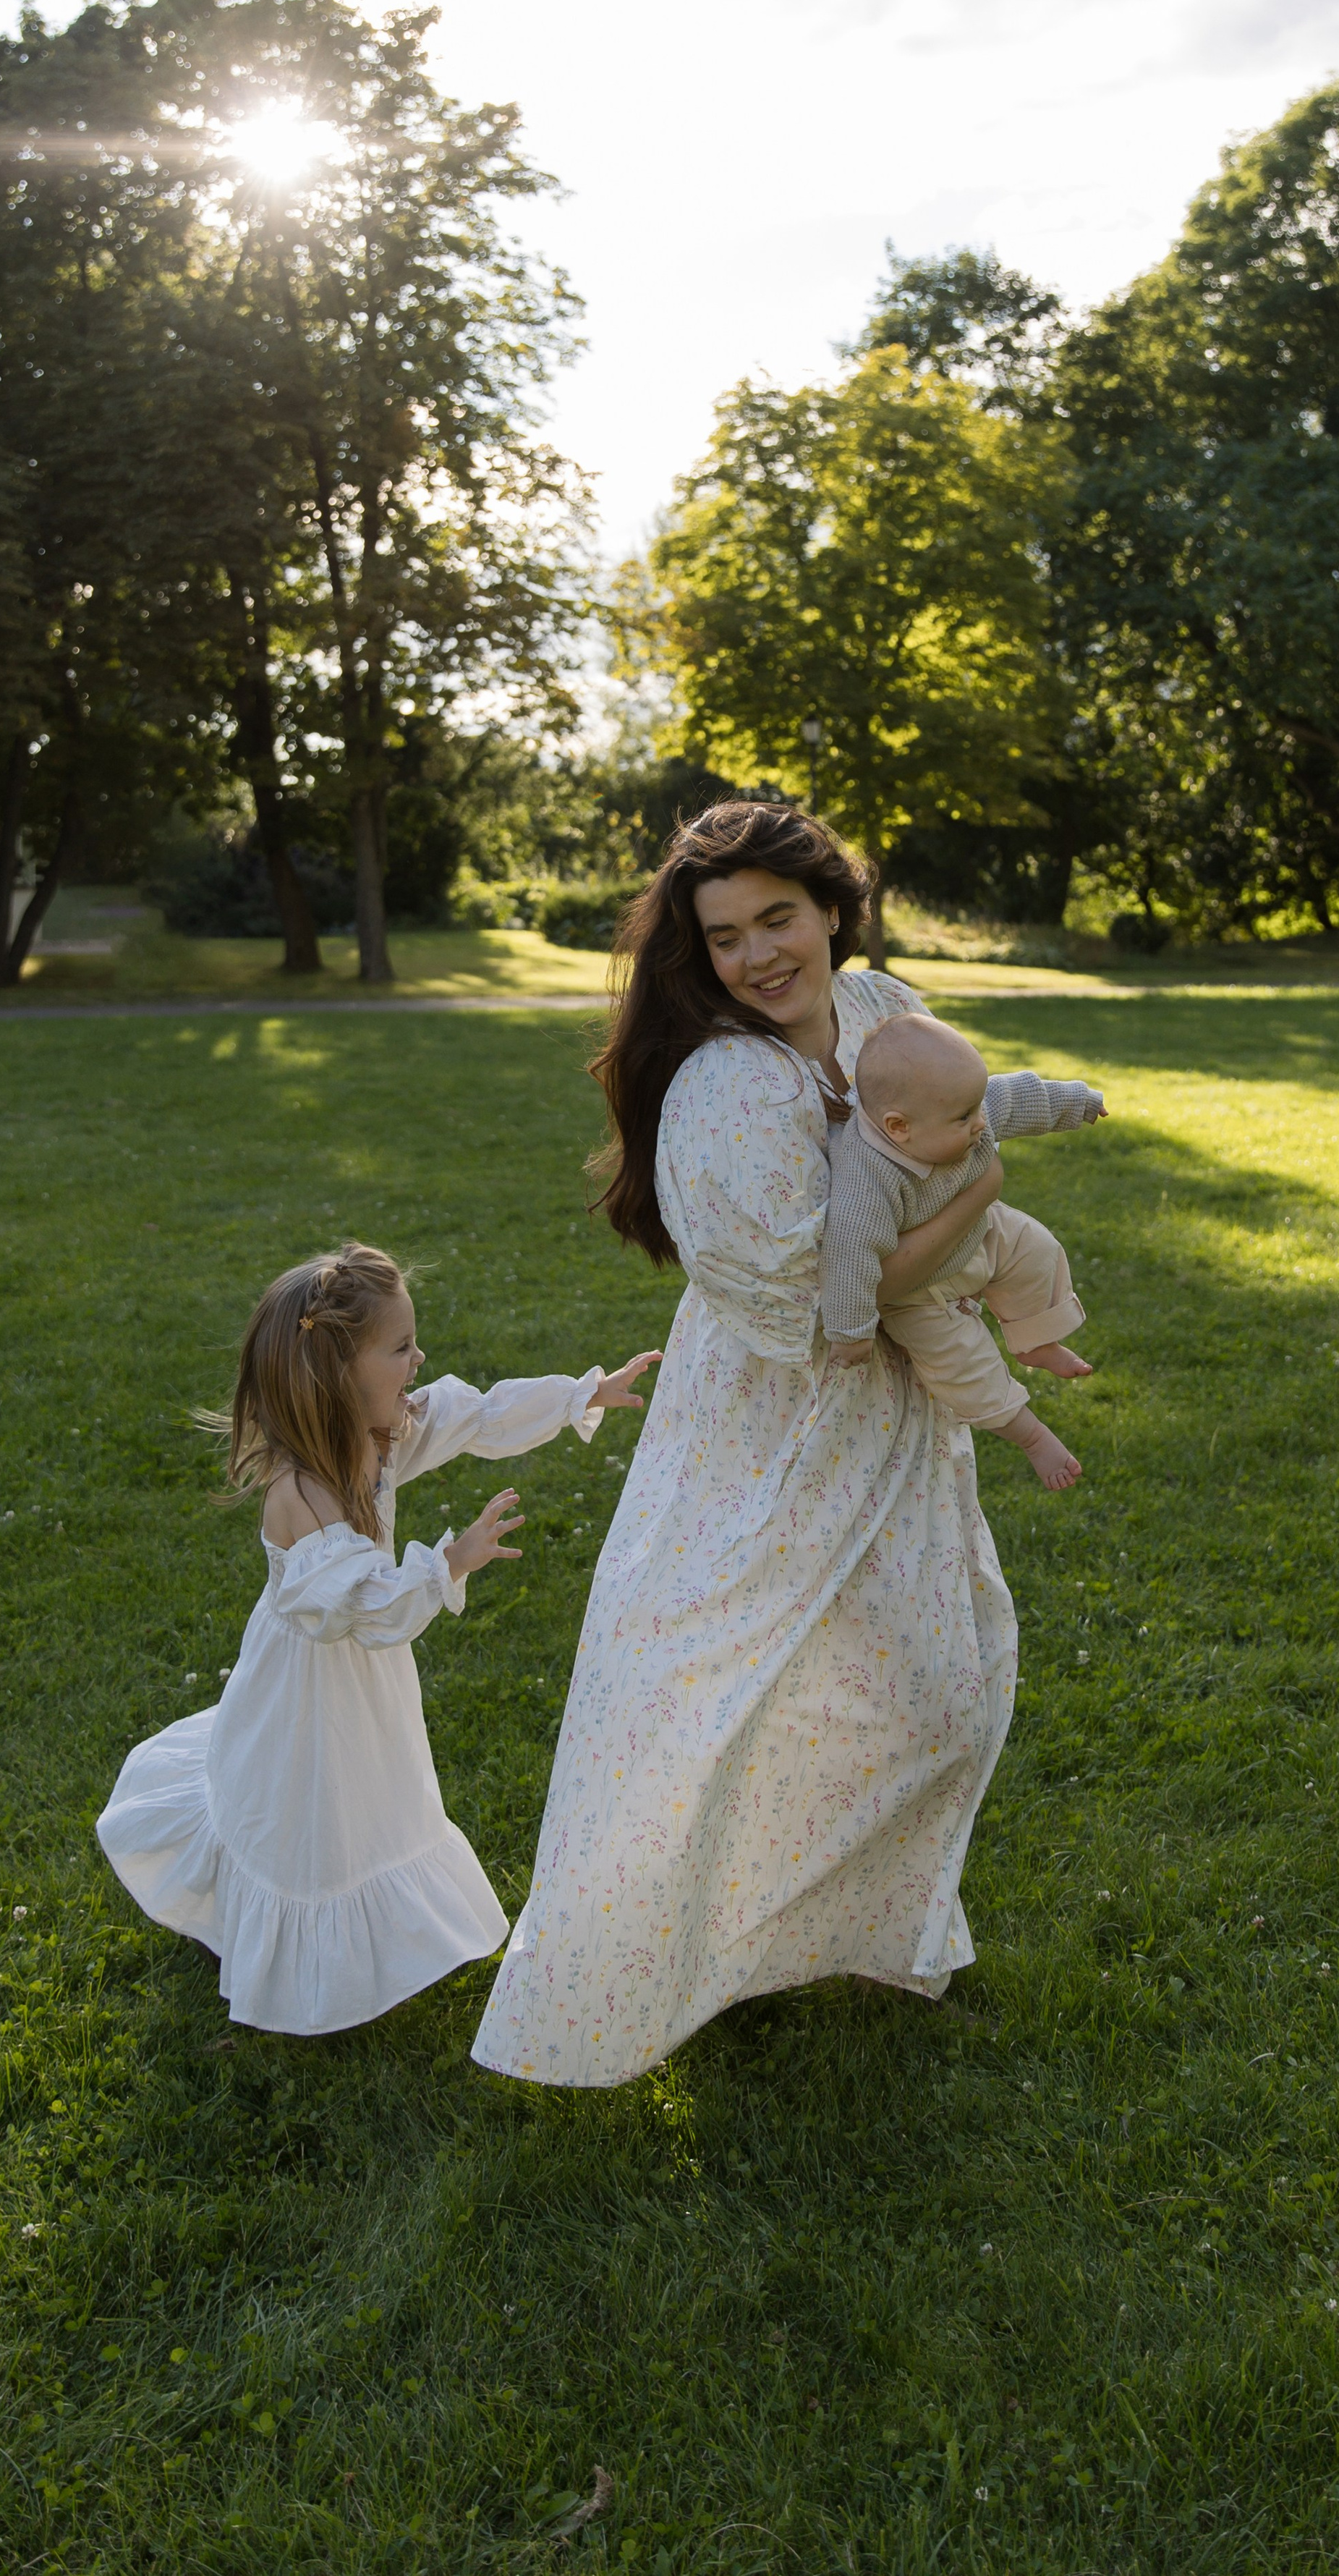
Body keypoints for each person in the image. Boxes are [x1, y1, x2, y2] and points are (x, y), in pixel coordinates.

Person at [472, 802, 1022, 2090]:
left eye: (778, 916)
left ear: (833, 908)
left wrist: (980, 1207)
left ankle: (849, 1927)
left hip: (887, 1422)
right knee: (693, 1697)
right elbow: (821, 1311)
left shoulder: (883, 1006)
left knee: (936, 1686)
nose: (759, 953)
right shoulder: (726, 1087)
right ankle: (618, 1972)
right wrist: (985, 1190)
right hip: (762, 1429)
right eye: (725, 936)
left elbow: (938, 1146)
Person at [95, 1243, 660, 2038]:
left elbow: (479, 1414)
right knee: (307, 1805)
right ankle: (283, 1950)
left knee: (369, 1797)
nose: (418, 1359)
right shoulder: (302, 1496)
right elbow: (364, 1608)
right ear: (334, 1369)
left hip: (362, 1679)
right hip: (310, 1687)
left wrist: (580, 1394)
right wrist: (448, 1563)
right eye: (400, 1347)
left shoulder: (383, 1431)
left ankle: (371, 1936)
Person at [821, 1013, 1108, 1493]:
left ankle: (1035, 1338)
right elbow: (848, 1258)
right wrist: (849, 1333)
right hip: (915, 1294)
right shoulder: (866, 1179)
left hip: (980, 1230)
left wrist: (1076, 1100)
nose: (981, 1122)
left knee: (1035, 1248)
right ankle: (1032, 1436)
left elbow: (1019, 1097)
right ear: (899, 1127)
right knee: (961, 1365)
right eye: (964, 1118)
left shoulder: (963, 1106)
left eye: (978, 1107)